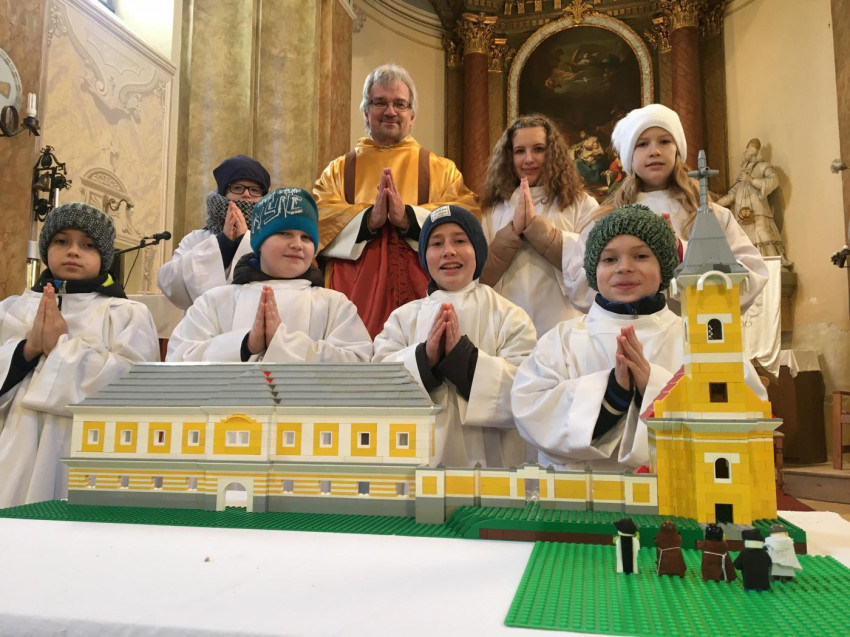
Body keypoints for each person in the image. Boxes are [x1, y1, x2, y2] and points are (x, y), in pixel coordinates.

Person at [512, 205, 770, 471]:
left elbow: (747, 416)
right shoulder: (562, 340)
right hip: (579, 491)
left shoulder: (701, 340)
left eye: (641, 256)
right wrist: (612, 394)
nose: (624, 267)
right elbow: (531, 408)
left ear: (665, 266)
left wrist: (655, 387)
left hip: (674, 491)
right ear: (593, 270)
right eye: (609, 259)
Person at [0, 203, 159, 507]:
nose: (73, 251)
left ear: (104, 257)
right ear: (46, 249)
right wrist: (27, 350)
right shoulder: (13, 308)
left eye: (88, 245)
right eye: (62, 241)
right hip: (15, 441)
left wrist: (60, 349)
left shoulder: (125, 314)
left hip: (85, 447)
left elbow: (136, 385)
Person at [314, 64, 479, 338]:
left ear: (411, 116)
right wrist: (369, 220)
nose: (390, 111)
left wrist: (409, 219)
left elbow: (467, 213)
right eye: (380, 102)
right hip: (355, 291)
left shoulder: (440, 169)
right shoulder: (339, 170)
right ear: (366, 112)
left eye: (400, 104)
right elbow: (319, 216)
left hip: (423, 287)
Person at [372, 205, 536, 468]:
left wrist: (464, 361)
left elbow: (527, 392)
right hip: (417, 465)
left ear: (478, 251)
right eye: (436, 243)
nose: (448, 251)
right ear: (424, 256)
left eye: (460, 240)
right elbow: (377, 385)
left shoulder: (509, 315)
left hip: (490, 467)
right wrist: (424, 359)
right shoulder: (402, 318)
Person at [562, 104, 768, 313]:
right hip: (630, 328)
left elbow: (753, 276)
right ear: (629, 155)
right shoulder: (607, 219)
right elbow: (579, 287)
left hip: (691, 328)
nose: (655, 151)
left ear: (677, 150)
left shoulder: (712, 214)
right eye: (642, 144)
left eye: (664, 141)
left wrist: (681, 253)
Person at [166, 188, 372, 364]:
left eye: (306, 237)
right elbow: (178, 360)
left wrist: (283, 343)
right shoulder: (216, 301)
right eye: (284, 233)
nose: (297, 244)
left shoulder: (334, 304)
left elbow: (359, 364)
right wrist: (245, 345)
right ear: (259, 242)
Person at [479, 114, 597, 336]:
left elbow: (593, 267)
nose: (529, 159)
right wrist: (511, 234)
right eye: (519, 151)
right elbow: (480, 277)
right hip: (506, 326)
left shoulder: (581, 204)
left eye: (538, 149)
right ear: (509, 156)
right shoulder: (493, 210)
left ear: (553, 153)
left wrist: (539, 231)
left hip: (563, 325)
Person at [157, 154, 271, 310]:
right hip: (202, 322)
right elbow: (170, 281)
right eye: (237, 188)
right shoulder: (196, 239)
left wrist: (244, 241)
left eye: (255, 189)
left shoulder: (271, 238)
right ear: (223, 192)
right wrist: (222, 244)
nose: (246, 194)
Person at [717, 138, 791, 267]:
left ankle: (774, 264)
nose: (746, 154)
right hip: (742, 215)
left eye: (749, 151)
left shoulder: (763, 166)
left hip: (758, 211)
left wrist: (751, 180)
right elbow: (732, 194)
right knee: (743, 240)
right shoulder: (742, 173)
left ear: (754, 152)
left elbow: (773, 181)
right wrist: (715, 204)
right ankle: (749, 265)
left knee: (762, 233)